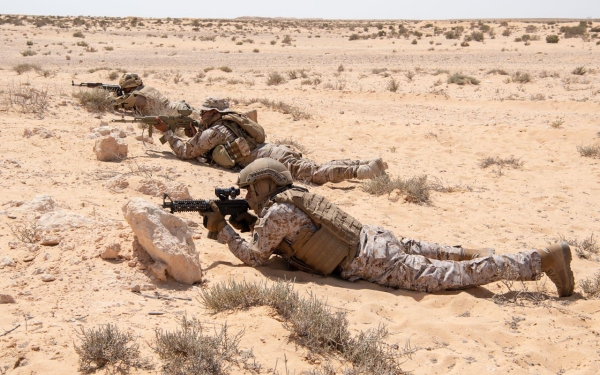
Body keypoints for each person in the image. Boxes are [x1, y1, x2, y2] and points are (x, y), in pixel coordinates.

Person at [200, 158, 575, 297]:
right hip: (373, 238)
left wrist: (223, 230)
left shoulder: (275, 215)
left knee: (453, 278)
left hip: (373, 262)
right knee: (434, 252)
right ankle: (471, 251)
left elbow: (254, 257)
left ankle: (541, 260)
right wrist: (249, 220)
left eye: (251, 191)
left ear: (265, 185)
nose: (247, 197)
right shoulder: (293, 196)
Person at [153, 97, 388, 185]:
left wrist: (167, 132)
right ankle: (366, 163)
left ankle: (362, 172)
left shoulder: (215, 131)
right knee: (314, 166)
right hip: (272, 151)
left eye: (204, 112)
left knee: (314, 175)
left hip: (271, 159)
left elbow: (186, 152)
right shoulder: (231, 121)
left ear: (212, 112)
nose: (200, 115)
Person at [113, 72, 192, 114]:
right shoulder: (146, 88)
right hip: (178, 106)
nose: (123, 90)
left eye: (124, 88)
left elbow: (113, 103)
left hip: (176, 111)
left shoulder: (136, 96)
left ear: (129, 85)